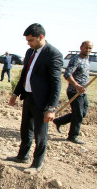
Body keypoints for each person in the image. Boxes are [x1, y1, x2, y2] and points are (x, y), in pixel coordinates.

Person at [7, 23, 63, 173]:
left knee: (40, 133)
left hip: (42, 101)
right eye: (27, 40)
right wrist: (15, 93)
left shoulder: (53, 54)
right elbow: (25, 74)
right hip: (28, 97)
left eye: (31, 40)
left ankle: (36, 164)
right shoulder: (30, 52)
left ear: (41, 37)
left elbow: (56, 83)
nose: (28, 43)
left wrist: (52, 108)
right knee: (26, 129)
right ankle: (22, 156)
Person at [53, 41, 93, 145]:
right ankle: (73, 136)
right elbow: (67, 74)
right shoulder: (76, 60)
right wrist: (77, 86)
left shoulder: (87, 59)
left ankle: (59, 121)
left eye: (90, 48)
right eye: (86, 48)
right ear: (81, 47)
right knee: (78, 114)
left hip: (83, 92)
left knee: (83, 113)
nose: (88, 50)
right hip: (74, 91)